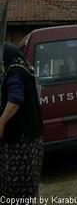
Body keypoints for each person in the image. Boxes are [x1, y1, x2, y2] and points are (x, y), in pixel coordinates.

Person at [0, 42, 43, 198]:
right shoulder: (25, 68)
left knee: (16, 190)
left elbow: (15, 100)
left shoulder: (15, 71)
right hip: (31, 139)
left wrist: (1, 122)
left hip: (22, 143)